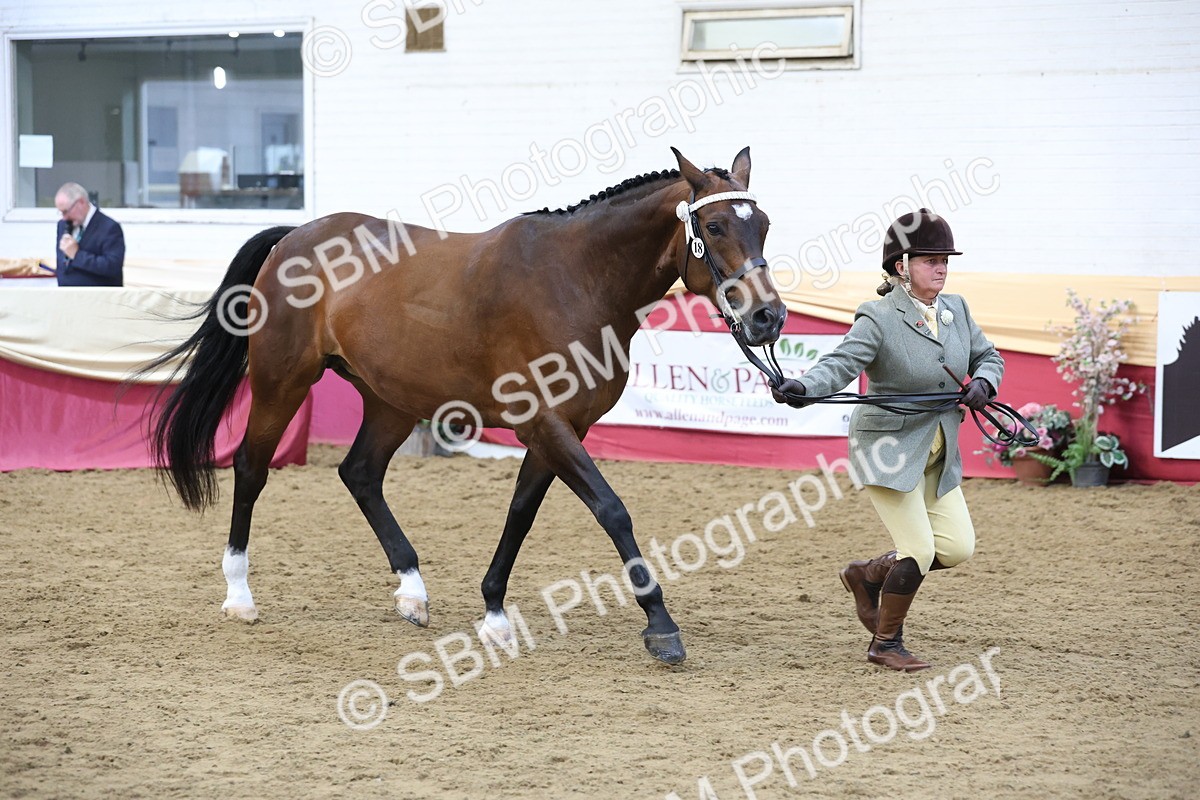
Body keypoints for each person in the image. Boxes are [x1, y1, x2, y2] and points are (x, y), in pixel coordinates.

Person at [771, 208, 1004, 672]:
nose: (941, 267)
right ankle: (885, 643)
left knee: (956, 547)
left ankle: (866, 574)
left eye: (945, 260)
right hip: (889, 450)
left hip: (938, 450)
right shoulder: (878, 318)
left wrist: (985, 382)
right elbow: (841, 363)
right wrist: (804, 388)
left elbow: (989, 355)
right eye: (930, 259)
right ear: (902, 266)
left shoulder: (956, 309)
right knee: (918, 549)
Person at [54, 182, 125, 286]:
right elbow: (62, 265)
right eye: (61, 212)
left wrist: (77, 255)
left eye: (66, 211)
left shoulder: (109, 227)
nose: (64, 217)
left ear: (81, 202)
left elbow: (112, 267)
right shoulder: (63, 225)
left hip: (98, 297)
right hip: (68, 297)